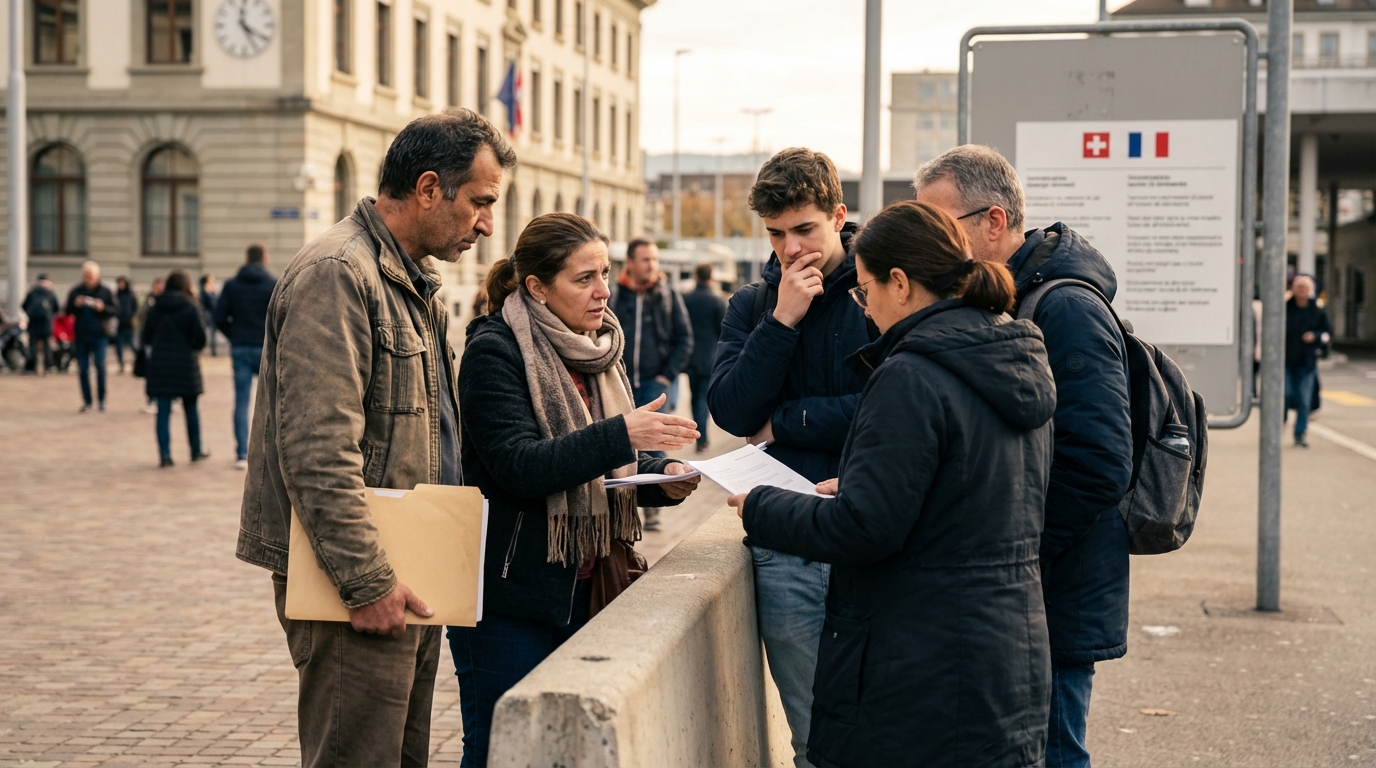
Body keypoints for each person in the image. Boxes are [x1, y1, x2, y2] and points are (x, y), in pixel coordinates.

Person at [730, 200, 1055, 767]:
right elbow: (968, 495)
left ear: (900, 284)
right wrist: (858, 487)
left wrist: (762, 505)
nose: (864, 308)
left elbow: (864, 529)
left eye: (863, 291)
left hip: (922, 667)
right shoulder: (1013, 354)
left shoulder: (909, 373)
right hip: (1006, 651)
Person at [237, 108, 515, 768]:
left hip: (405, 569)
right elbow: (316, 450)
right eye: (479, 202)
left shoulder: (409, 280)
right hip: (357, 581)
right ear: (427, 189)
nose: (487, 224)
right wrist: (366, 581)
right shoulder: (339, 273)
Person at [455, 212, 702, 767]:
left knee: (566, 751)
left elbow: (607, 464)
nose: (603, 291)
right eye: (584, 278)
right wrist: (621, 436)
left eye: (606, 273)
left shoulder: (597, 349)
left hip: (587, 581)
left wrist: (661, 477)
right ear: (537, 288)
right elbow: (519, 465)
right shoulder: (494, 350)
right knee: (502, 748)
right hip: (509, 594)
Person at [915, 144, 1133, 768]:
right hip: (1028, 586)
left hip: (1054, 589)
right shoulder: (1012, 296)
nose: (933, 241)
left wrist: (1017, 551)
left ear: (995, 221)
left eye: (942, 224)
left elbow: (1098, 462)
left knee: (1053, 751)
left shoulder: (1064, 306)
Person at [707, 147, 872, 768]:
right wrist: (782, 320)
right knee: (815, 738)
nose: (790, 248)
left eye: (804, 229)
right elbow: (732, 414)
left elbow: (893, 405)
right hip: (787, 545)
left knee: (889, 731)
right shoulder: (754, 305)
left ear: (838, 215)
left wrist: (793, 420)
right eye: (775, 234)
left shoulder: (880, 289)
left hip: (870, 529)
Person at [609, 238, 692, 532]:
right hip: (619, 385)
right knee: (621, 442)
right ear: (630, 262)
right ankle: (624, 499)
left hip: (653, 386)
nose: (651, 266)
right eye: (646, 260)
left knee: (655, 445)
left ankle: (653, 506)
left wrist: (666, 376)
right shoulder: (615, 294)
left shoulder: (667, 294)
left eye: (654, 260)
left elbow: (685, 339)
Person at [215, 245, 277, 469]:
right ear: (265, 259)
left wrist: (234, 336)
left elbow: (219, 316)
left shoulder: (232, 286)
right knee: (271, 401)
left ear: (246, 258)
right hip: (265, 347)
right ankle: (268, 453)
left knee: (241, 401)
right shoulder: (272, 285)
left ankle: (242, 453)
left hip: (240, 346)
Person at [141, 270, 208, 467]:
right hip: (185, 364)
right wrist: (191, 348)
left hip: (161, 364)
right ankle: (195, 450)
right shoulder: (190, 307)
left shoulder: (155, 307)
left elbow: (146, 336)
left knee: (163, 411)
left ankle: (165, 455)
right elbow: (201, 338)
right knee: (191, 408)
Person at [682, 263, 726, 453]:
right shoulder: (717, 301)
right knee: (703, 397)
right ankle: (702, 438)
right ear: (711, 278)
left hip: (690, 356)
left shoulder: (686, 299)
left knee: (694, 396)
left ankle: (698, 435)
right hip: (710, 357)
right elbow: (723, 331)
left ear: (695, 276)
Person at [1285, 274, 1332, 447]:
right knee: (1286, 394)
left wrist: (1315, 336)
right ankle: (1279, 424)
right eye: (1298, 287)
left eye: (1305, 288)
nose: (1301, 291)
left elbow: (1326, 332)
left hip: (1307, 363)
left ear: (1310, 290)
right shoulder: (1286, 308)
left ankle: (1300, 434)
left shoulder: (1316, 311)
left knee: (1304, 400)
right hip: (1286, 361)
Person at [64, 260, 117, 412]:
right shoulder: (76, 291)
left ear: (97, 276)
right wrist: (76, 304)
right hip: (81, 335)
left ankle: (101, 399)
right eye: (86, 276)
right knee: (83, 368)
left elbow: (114, 310)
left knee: (100, 365)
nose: (88, 279)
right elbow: (67, 311)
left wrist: (102, 307)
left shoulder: (105, 291)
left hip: (99, 334)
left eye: (91, 276)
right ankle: (87, 401)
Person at [136, 277, 166, 413]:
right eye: (157, 286)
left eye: (161, 286)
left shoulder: (168, 302)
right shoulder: (148, 300)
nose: (159, 289)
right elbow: (140, 316)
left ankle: (164, 397)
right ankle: (151, 397)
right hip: (149, 341)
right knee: (150, 371)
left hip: (164, 342)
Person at [22, 274, 60, 375]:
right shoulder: (50, 294)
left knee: (32, 347)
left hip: (33, 324)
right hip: (46, 324)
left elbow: (24, 305)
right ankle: (48, 366)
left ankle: (31, 367)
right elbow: (56, 309)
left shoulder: (32, 292)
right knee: (47, 347)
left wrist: (30, 315)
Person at [113, 277, 139, 374]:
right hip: (119, 325)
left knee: (133, 346)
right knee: (119, 347)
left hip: (129, 325)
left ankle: (139, 362)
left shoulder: (131, 295)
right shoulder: (116, 295)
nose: (120, 285)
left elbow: (135, 308)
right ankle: (121, 365)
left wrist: (133, 317)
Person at [198, 275, 220, 357]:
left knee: (213, 332)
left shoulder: (212, 292)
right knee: (205, 331)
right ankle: (202, 348)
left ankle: (213, 350)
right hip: (206, 314)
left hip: (212, 314)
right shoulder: (203, 292)